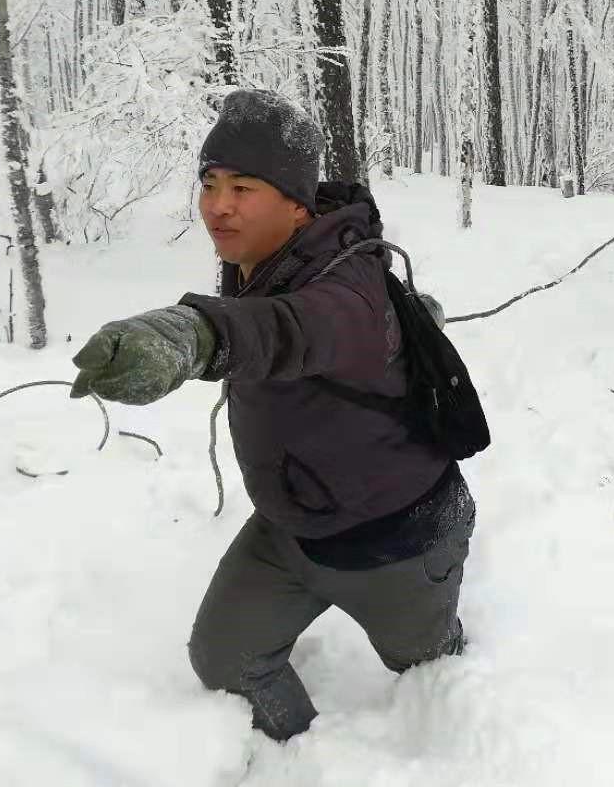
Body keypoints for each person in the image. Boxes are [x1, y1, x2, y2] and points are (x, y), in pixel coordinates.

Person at [69, 89, 474, 741]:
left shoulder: (341, 287)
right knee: (224, 660)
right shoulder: (261, 263)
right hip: (293, 527)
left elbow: (289, 329)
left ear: (295, 202)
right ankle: (297, 757)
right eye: (210, 183)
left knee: (427, 667)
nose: (218, 206)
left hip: (397, 541)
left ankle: (444, 624)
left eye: (243, 186)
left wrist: (192, 334)